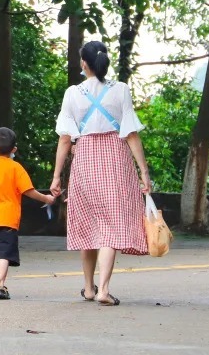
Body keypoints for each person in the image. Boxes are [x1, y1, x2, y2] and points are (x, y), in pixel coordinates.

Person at [49, 41, 152, 306]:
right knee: (110, 226)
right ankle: (104, 289)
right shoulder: (120, 90)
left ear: (84, 63)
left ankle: (88, 288)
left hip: (85, 159)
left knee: (89, 223)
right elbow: (130, 133)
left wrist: (57, 176)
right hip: (116, 159)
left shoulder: (73, 92)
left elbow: (64, 139)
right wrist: (144, 172)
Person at [0, 127, 55, 300]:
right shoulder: (16, 168)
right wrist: (46, 199)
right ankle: (0, 285)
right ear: (14, 150)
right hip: (7, 219)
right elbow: (28, 190)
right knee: (4, 253)